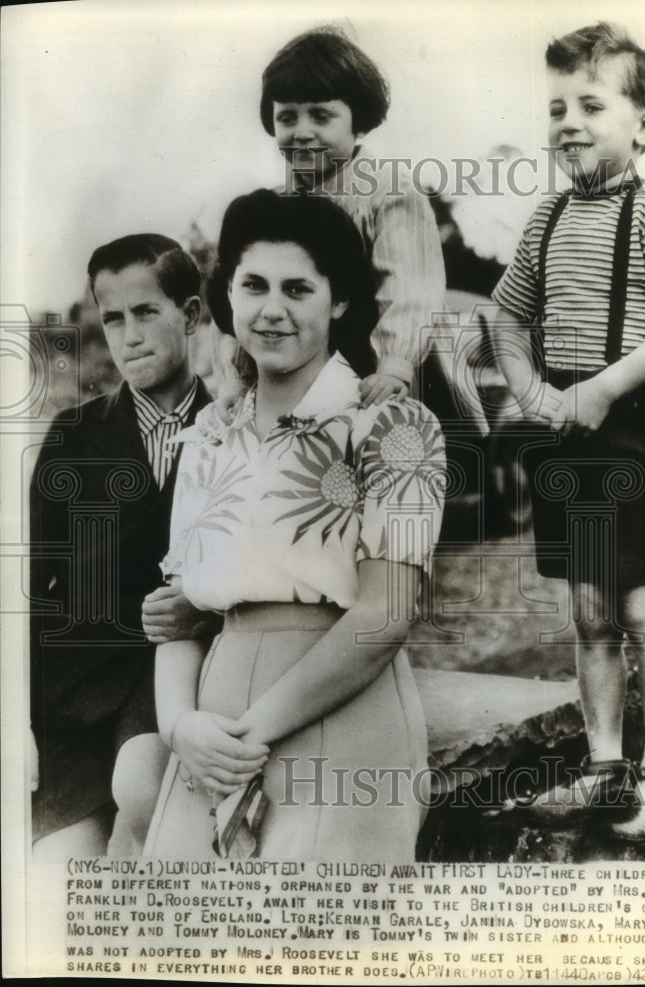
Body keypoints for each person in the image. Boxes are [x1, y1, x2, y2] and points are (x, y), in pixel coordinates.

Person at [116, 189, 446, 860]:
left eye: (299, 289)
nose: (272, 310)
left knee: (310, 940)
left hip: (339, 711)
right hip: (211, 731)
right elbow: (180, 618)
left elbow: (385, 614)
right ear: (227, 299)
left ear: (340, 301)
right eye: (254, 286)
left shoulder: (392, 428)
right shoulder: (206, 438)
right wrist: (181, 727)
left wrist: (246, 734)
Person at [490, 23, 645, 840]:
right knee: (588, 616)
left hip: (632, 438)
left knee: (644, 610)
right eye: (555, 108)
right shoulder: (545, 219)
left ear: (642, 125)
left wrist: (605, 386)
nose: (567, 122)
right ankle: (602, 765)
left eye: (589, 103)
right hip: (566, 440)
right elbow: (507, 318)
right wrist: (532, 391)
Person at [30, 234, 214, 859]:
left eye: (146, 313)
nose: (129, 334)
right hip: (76, 691)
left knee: (144, 796)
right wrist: (18, 725)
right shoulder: (73, 437)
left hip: (176, 678)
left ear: (190, 315)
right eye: (113, 318)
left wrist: (205, 610)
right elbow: (32, 588)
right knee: (57, 870)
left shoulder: (231, 432)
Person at [213, 26, 485, 432]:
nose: (302, 131)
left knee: (398, 454)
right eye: (287, 117)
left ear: (358, 120)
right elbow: (239, 299)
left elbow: (411, 290)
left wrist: (395, 365)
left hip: (385, 364)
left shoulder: (389, 193)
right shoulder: (270, 209)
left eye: (321, 116)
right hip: (302, 367)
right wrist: (237, 376)